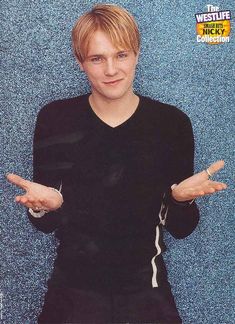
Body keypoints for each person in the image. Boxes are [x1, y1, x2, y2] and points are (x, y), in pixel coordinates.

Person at [7, 4, 227, 323]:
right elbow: (45, 224)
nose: (112, 69)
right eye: (97, 58)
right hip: (72, 291)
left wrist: (182, 199)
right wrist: (46, 207)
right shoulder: (56, 119)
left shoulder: (171, 124)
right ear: (81, 62)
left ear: (136, 54)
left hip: (146, 291)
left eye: (121, 55)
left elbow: (182, 228)